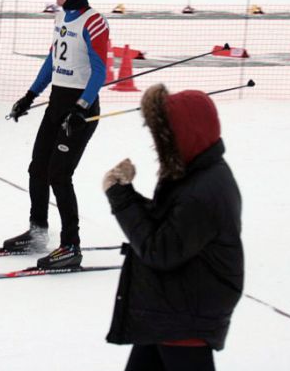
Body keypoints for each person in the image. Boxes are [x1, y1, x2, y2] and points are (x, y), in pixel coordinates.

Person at [102, 84, 244, 371]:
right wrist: (125, 191)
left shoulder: (202, 192)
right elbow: (166, 227)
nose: (157, 146)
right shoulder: (193, 173)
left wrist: (121, 199)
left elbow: (159, 250)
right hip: (170, 307)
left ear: (184, 136)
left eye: (163, 138)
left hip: (185, 314)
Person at [5, 0, 109, 269]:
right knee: (37, 168)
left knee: (60, 176)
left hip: (80, 109)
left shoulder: (94, 22)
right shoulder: (62, 16)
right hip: (56, 104)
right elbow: (52, 61)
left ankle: (70, 246)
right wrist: (29, 96)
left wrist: (81, 108)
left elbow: (100, 71)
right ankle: (37, 233)